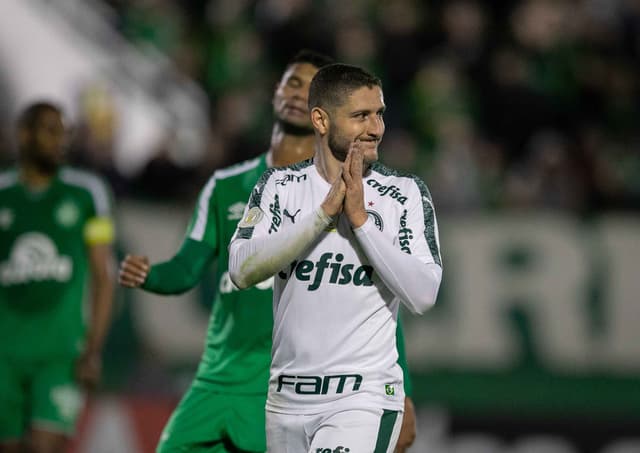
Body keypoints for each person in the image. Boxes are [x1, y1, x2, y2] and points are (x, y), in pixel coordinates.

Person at [119, 51, 417, 452]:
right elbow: (187, 267)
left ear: (324, 111)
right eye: (291, 82)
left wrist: (403, 390)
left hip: (282, 386)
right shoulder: (227, 185)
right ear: (275, 94)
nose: (298, 93)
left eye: (309, 87)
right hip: (218, 377)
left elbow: (375, 297)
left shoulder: (350, 189)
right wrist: (150, 274)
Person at [228, 63, 442, 452]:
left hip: (363, 399)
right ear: (321, 120)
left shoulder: (404, 194)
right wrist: (322, 217)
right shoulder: (279, 187)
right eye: (361, 116)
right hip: (285, 401)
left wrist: (360, 221)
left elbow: (424, 294)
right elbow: (241, 269)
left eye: (379, 114)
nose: (375, 128)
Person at [0, 102, 115, 453]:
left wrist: (93, 350)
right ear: (24, 134)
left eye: (65, 132)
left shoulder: (87, 194)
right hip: (4, 352)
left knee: (44, 446)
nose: (60, 141)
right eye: (51, 131)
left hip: (61, 354)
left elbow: (103, 276)